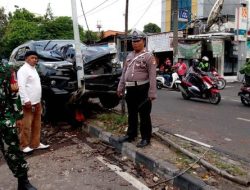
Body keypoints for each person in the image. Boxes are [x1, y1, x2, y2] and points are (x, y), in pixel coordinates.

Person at [117, 29, 157, 148]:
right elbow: (124, 72)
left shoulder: (149, 57)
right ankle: (131, 134)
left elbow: (152, 76)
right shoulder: (129, 56)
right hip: (130, 89)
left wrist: (152, 92)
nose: (135, 43)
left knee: (144, 115)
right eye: (133, 41)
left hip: (142, 89)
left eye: (137, 41)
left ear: (143, 41)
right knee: (132, 113)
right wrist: (120, 86)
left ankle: (146, 138)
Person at [0, 62, 37, 190]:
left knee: (13, 151)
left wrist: (19, 116)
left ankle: (23, 182)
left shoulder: (6, 67)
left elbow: (14, 92)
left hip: (5, 118)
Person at [17, 51, 50, 153]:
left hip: (36, 102)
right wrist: (26, 100)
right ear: (26, 58)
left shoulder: (33, 69)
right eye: (32, 58)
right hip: (28, 103)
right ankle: (24, 145)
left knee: (37, 124)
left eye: (36, 58)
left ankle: (35, 144)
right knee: (26, 125)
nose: (35, 60)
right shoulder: (23, 70)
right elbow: (21, 86)